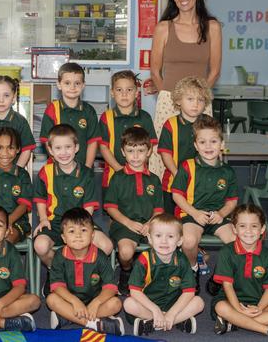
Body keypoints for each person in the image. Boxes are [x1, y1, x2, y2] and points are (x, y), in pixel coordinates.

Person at [149, 0, 221, 178]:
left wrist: (198, 98)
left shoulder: (212, 27)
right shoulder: (163, 28)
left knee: (202, 152)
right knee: (164, 156)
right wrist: (171, 98)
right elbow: (155, 70)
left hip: (201, 103)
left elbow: (214, 71)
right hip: (168, 102)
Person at [34, 124, 112, 271]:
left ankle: (81, 273)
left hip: (81, 222)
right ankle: (56, 271)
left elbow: (88, 208)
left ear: (76, 147)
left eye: (68, 147)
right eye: (58, 148)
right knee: (40, 245)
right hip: (55, 223)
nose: (63, 152)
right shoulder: (46, 172)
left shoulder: (86, 174)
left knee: (106, 246)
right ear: (50, 150)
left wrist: (79, 229)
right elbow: (40, 199)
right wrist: (43, 219)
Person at [211, 204, 268, 341]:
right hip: (230, 302)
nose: (248, 231)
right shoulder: (226, 252)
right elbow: (227, 286)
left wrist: (259, 308)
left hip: (258, 303)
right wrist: (238, 308)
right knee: (221, 308)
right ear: (234, 229)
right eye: (242, 226)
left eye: (254, 226)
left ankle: (234, 323)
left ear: (262, 229)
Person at [172, 115, 237, 291]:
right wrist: (194, 213)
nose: (208, 146)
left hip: (217, 216)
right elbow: (177, 196)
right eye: (202, 142)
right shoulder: (187, 166)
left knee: (236, 242)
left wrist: (222, 214)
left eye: (213, 141)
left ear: (222, 145)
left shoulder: (228, 171)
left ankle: (219, 276)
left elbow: (232, 202)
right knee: (189, 242)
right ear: (196, 145)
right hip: (192, 214)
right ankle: (192, 269)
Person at [103, 127, 164, 295]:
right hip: (124, 224)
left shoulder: (154, 179)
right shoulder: (118, 177)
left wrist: (150, 224)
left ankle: (156, 279)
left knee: (165, 244)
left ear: (149, 151)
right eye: (130, 151)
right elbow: (110, 207)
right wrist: (129, 223)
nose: (135, 156)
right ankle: (126, 271)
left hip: (149, 225)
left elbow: (159, 210)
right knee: (126, 251)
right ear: (123, 152)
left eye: (140, 151)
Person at [123, 213, 204, 336]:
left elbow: (189, 292)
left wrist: (171, 314)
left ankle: (154, 323)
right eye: (158, 235)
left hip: (174, 305)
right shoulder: (144, 259)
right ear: (150, 239)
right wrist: (155, 310)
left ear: (180, 241)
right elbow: (134, 291)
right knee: (128, 304)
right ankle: (176, 321)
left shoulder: (182, 260)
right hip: (148, 306)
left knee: (199, 303)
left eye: (170, 236)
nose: (164, 241)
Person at [46, 208, 124, 335]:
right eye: (71, 231)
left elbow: (110, 287)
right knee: (51, 299)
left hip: (95, 302)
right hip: (69, 301)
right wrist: (74, 301)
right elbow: (57, 286)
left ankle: (68, 318)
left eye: (83, 230)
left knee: (116, 304)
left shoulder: (100, 256)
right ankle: (92, 324)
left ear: (92, 235)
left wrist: (96, 303)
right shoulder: (60, 255)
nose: (78, 235)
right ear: (64, 238)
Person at [157, 76, 212, 214]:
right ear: (178, 101)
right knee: (171, 223)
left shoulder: (209, 123)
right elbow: (165, 153)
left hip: (202, 184)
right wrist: (177, 174)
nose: (195, 104)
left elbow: (216, 152)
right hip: (173, 182)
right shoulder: (170, 124)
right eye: (190, 99)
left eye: (200, 100)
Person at [99, 70, 157, 189]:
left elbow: (151, 145)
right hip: (113, 176)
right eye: (119, 90)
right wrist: (119, 169)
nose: (124, 94)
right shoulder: (106, 117)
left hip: (140, 175)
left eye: (129, 90)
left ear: (136, 93)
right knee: (112, 207)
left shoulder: (145, 117)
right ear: (112, 93)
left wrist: (138, 166)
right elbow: (103, 147)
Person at [40, 62, 99, 168]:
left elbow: (93, 142)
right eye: (67, 83)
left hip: (82, 168)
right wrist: (59, 164)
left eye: (77, 83)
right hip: (56, 168)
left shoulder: (89, 111)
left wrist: (87, 168)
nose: (72, 87)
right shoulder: (52, 109)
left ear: (83, 85)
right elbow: (46, 140)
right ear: (59, 84)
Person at [0, 75, 36, 167]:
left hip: (14, 176)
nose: (1, 100)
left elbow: (26, 150)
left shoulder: (20, 121)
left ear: (14, 97)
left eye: (6, 95)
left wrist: (16, 172)